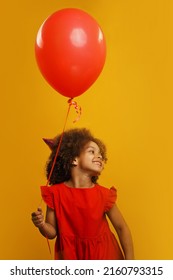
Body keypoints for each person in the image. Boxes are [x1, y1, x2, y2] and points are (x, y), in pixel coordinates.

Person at [31, 128, 134, 260]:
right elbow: (52, 233)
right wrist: (41, 225)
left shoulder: (104, 194)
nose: (99, 156)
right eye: (92, 151)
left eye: (100, 154)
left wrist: (131, 263)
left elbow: (122, 228)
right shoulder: (55, 194)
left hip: (104, 256)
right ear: (73, 159)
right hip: (71, 257)